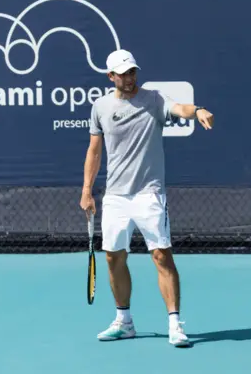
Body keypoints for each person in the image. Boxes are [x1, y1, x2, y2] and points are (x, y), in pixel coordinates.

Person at [80, 49, 214, 347]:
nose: (129, 78)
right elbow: (94, 151)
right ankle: (124, 321)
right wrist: (87, 190)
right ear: (110, 76)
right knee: (114, 258)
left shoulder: (154, 99)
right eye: (123, 73)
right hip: (115, 196)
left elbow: (180, 108)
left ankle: (175, 323)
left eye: (132, 72)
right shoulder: (100, 107)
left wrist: (199, 110)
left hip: (149, 193)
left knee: (161, 255)